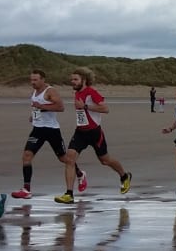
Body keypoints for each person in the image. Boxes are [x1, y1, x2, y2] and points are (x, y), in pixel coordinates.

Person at [56, 68, 132, 204]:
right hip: (80, 132)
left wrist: (85, 106)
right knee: (69, 159)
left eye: (75, 79)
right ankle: (69, 194)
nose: (72, 82)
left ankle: (124, 176)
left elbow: (105, 109)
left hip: (94, 133)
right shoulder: (77, 93)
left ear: (83, 80)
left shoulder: (91, 92)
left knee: (105, 160)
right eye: (71, 79)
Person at [11, 69, 87, 200]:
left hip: (51, 130)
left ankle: (80, 174)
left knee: (64, 158)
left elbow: (60, 107)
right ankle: (26, 189)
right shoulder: (35, 91)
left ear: (42, 79)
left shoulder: (51, 91)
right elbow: (37, 107)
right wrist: (33, 116)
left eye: (35, 80)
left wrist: (41, 107)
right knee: (27, 156)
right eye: (31, 80)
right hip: (37, 129)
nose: (32, 82)